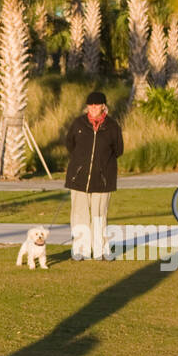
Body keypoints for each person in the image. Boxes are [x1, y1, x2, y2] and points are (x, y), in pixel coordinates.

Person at [63, 90, 123, 261]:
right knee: (79, 214)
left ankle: (100, 250)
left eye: (97, 105)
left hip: (103, 179)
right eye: (91, 105)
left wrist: (103, 165)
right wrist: (81, 164)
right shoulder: (78, 123)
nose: (93, 108)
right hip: (78, 177)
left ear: (103, 106)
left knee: (99, 215)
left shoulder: (112, 126)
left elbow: (119, 149)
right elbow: (70, 144)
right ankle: (80, 249)